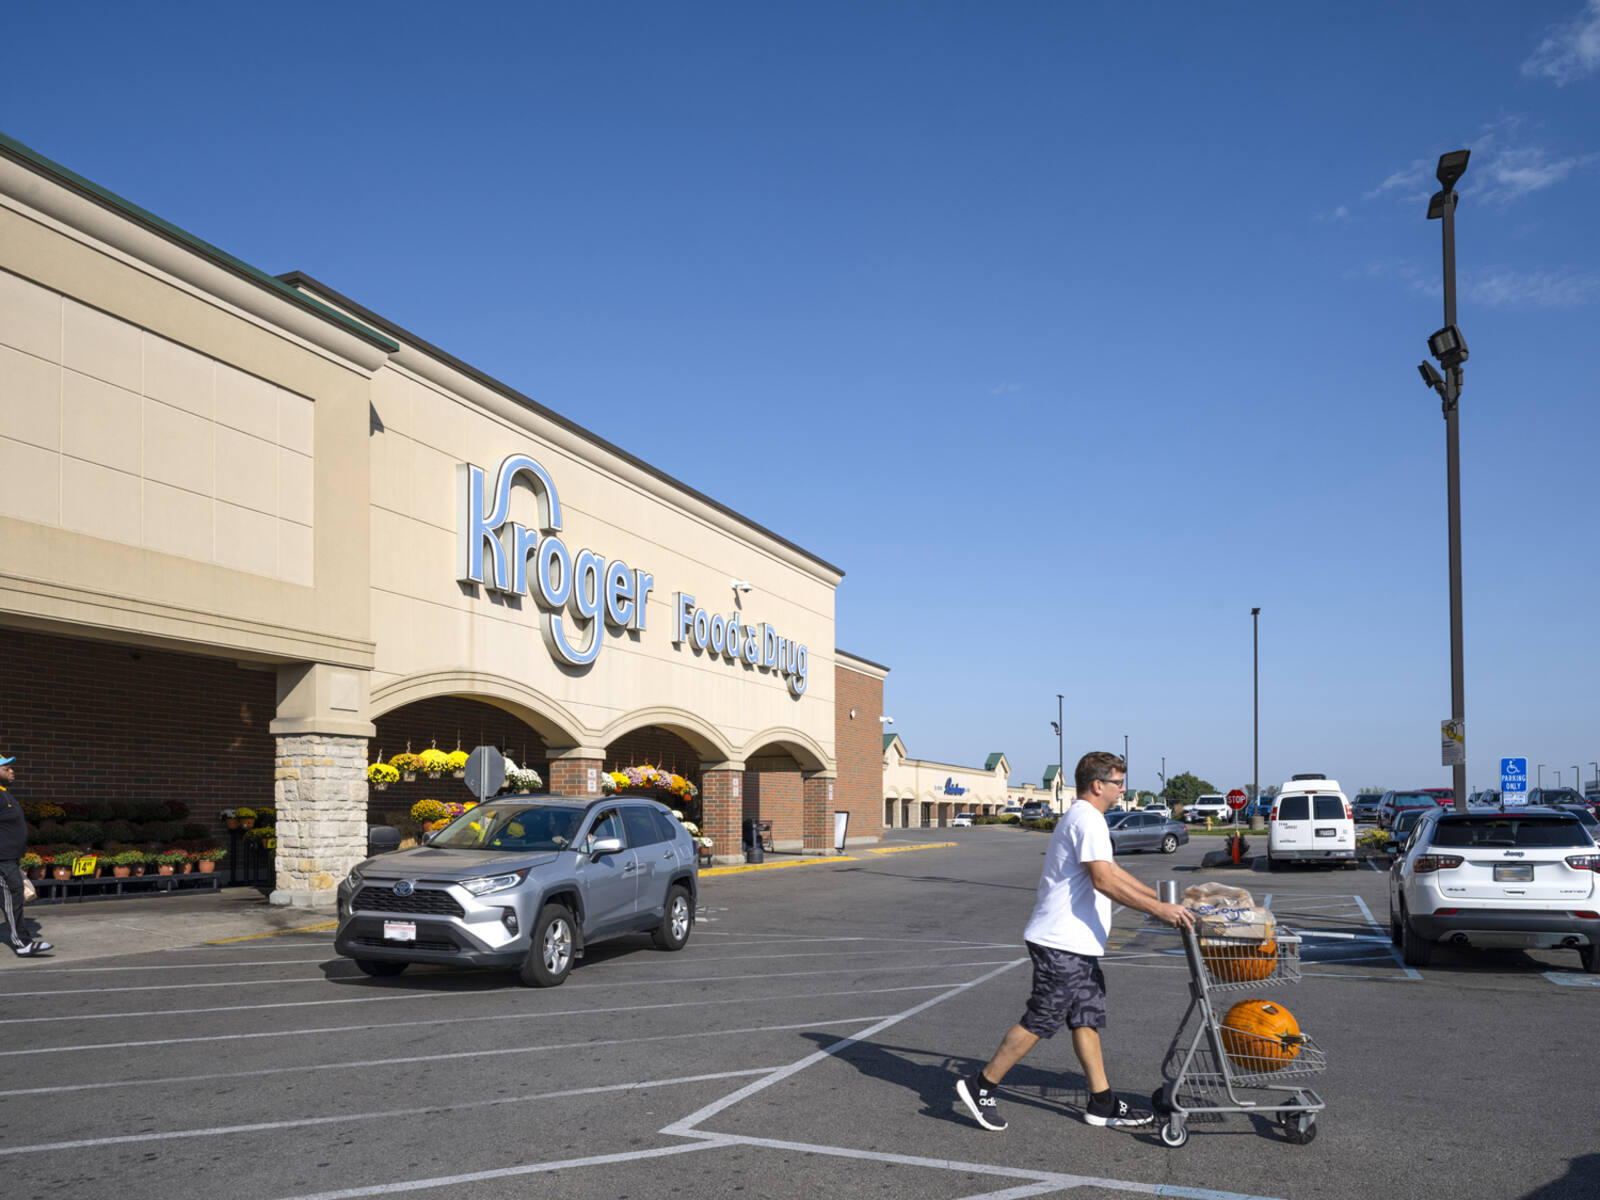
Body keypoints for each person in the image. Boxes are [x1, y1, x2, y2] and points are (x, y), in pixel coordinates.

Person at [955, 751, 1192, 1132]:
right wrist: (1160, 911)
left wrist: (1158, 901)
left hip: (1076, 945)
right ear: (1098, 785)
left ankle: (1101, 1102)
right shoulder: (1087, 819)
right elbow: (1103, 880)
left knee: (1085, 1018)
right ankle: (980, 1086)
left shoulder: (1087, 819)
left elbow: (1113, 870)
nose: (1122, 789)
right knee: (1042, 1018)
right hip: (1060, 943)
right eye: (1118, 782)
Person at [0, 754, 54, 957]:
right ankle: (22, 943)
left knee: (12, 900)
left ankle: (23, 941)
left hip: (9, 860)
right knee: (13, 899)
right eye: (6, 768)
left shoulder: (5, 793)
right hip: (2, 861)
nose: (12, 771)